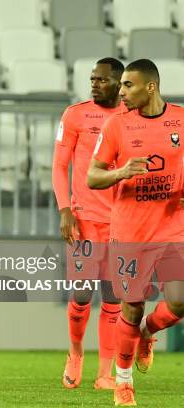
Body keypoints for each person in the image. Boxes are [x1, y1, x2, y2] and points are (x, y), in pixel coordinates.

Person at [87, 59, 183, 406]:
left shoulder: (181, 120)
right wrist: (122, 172)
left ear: (151, 87)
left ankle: (147, 333)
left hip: (172, 225)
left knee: (180, 300)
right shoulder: (116, 126)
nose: (122, 91)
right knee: (132, 307)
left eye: (129, 85)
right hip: (130, 230)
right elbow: (92, 177)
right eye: (122, 85)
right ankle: (123, 383)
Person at [52, 58, 126, 390]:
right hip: (85, 219)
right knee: (81, 295)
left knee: (113, 297)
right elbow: (58, 166)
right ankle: (76, 351)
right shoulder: (75, 114)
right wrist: (65, 208)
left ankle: (105, 373)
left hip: (123, 222)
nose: (94, 84)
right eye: (93, 79)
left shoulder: (131, 118)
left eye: (103, 80)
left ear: (120, 84)